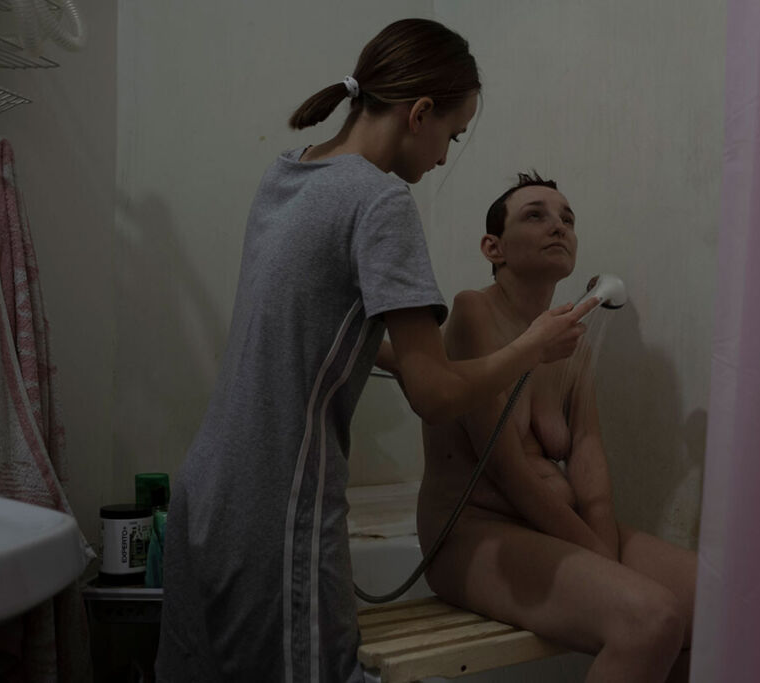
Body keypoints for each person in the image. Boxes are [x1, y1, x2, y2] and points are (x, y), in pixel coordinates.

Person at [155, 22, 596, 683]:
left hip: (206, 494)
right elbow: (435, 395)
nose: (444, 158)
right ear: (420, 114)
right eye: (453, 135)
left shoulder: (287, 173)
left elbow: (302, 331)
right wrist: (532, 347)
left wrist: (388, 354)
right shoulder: (381, 200)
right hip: (277, 506)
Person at [417, 173, 698, 683]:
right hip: (472, 535)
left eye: (567, 219)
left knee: (718, 606)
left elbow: (588, 455)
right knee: (651, 620)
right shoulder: (473, 310)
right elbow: (504, 468)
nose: (558, 226)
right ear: (493, 248)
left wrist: (603, 545)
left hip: (553, 528)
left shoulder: (570, 339)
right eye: (536, 215)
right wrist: (600, 556)